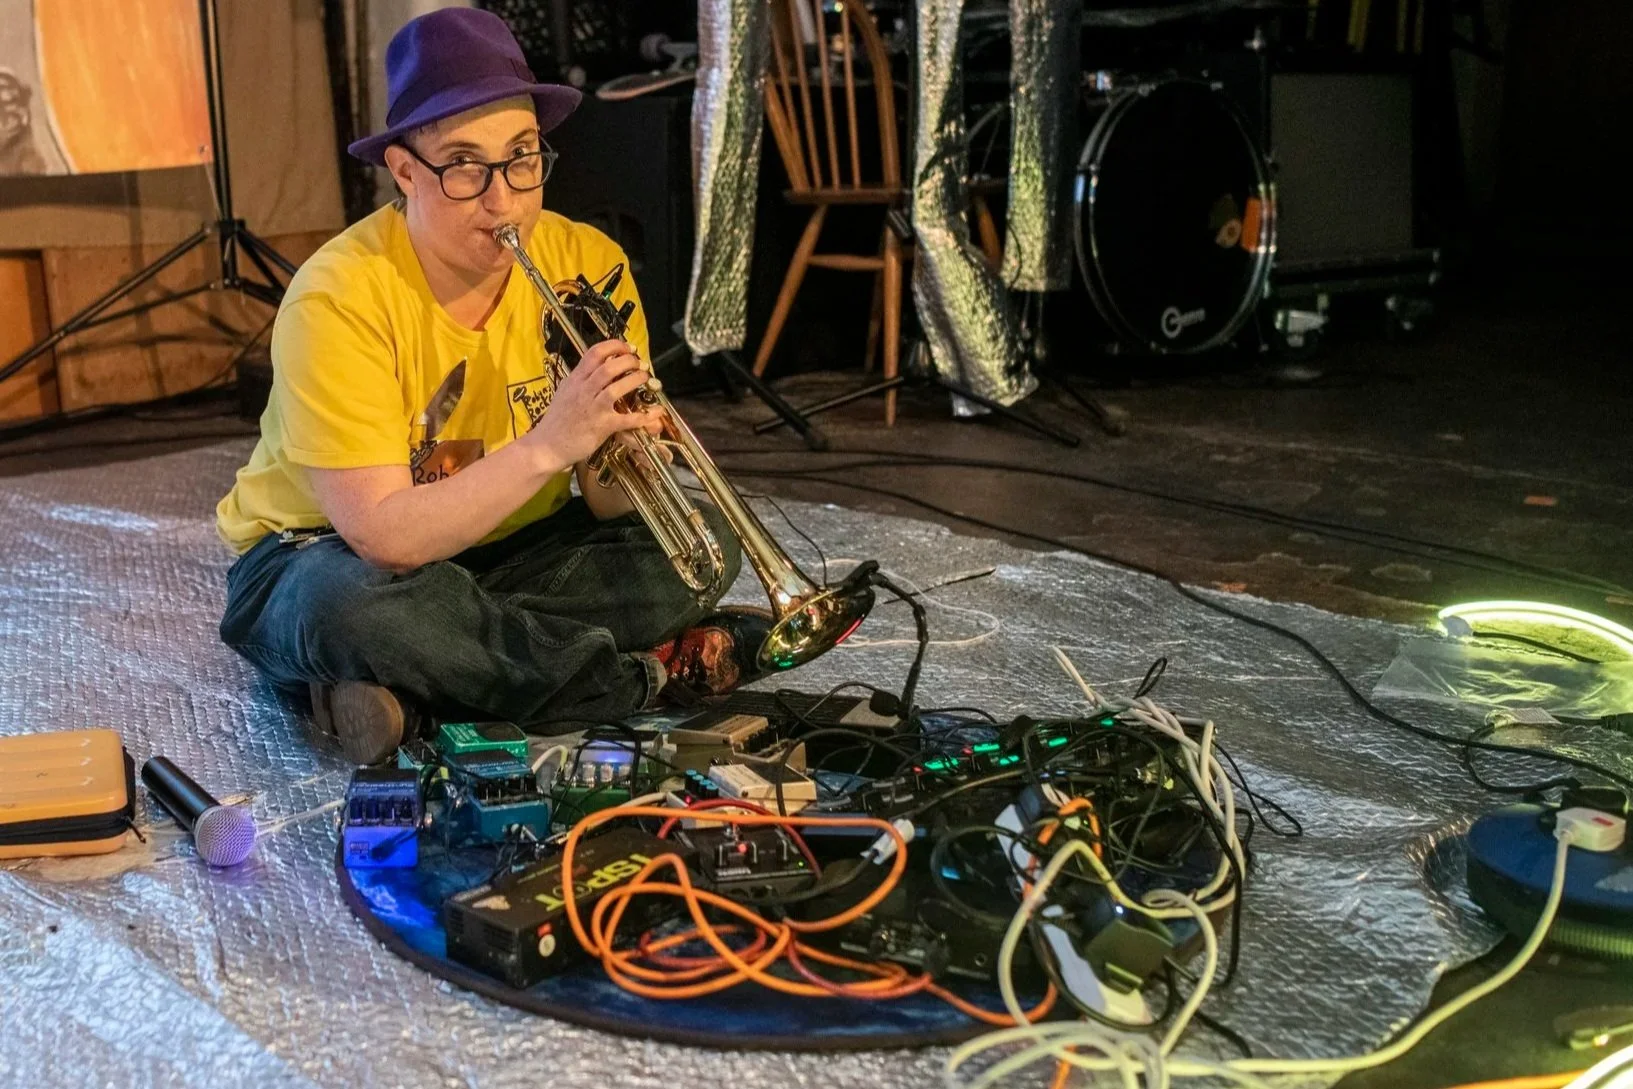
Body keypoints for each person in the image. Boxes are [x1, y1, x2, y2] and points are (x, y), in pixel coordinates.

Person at [215, 9, 765, 764]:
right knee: (348, 608)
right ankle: (639, 679)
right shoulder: (339, 296)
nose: (502, 200)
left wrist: (621, 444)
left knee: (702, 543)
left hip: (502, 549)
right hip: (319, 554)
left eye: (521, 159)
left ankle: (422, 684)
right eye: (464, 165)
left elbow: (606, 501)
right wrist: (551, 443)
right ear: (406, 171)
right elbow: (384, 536)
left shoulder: (588, 263)